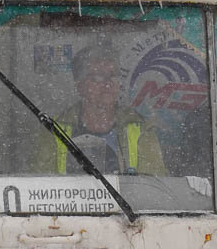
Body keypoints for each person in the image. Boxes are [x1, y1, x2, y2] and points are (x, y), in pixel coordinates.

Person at [35, 42, 167, 176]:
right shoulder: (54, 128)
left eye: (113, 76)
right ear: (80, 86)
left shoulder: (140, 127)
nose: (108, 83)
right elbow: (41, 185)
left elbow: (155, 187)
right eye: (98, 77)